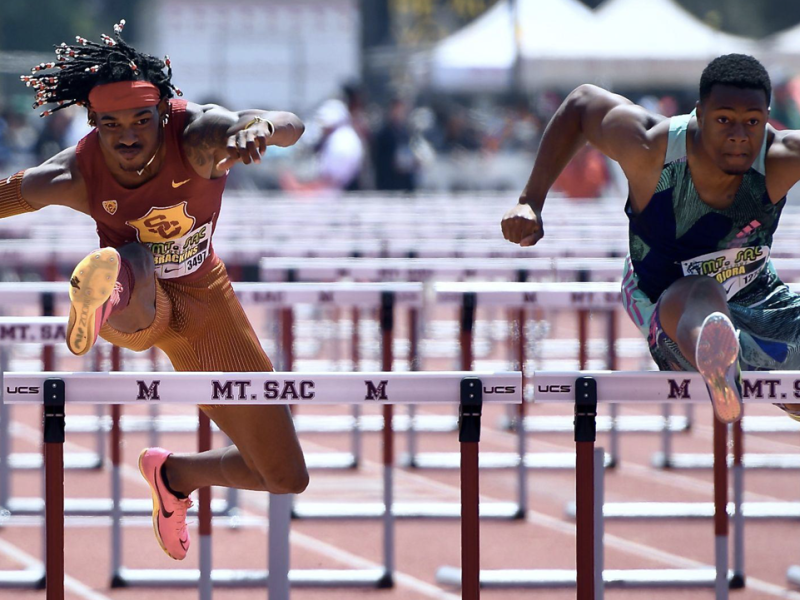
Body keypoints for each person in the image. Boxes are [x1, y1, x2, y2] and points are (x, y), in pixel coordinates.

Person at [3, 21, 308, 560]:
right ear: (92, 122)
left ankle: (173, 475)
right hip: (139, 306)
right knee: (134, 262)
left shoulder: (199, 139)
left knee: (284, 474)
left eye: (141, 119)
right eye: (110, 124)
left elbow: (290, 123)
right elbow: (7, 195)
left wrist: (260, 127)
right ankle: (100, 293)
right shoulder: (76, 172)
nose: (126, 135)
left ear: (164, 114)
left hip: (208, 305)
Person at [501, 53, 800, 425]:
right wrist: (530, 202)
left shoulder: (783, 156)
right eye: (724, 120)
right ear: (699, 115)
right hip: (667, 302)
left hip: (760, 297)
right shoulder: (651, 147)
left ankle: (760, 365)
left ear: (767, 117)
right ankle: (724, 367)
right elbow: (581, 104)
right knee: (701, 290)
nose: (739, 135)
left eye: (752, 122)